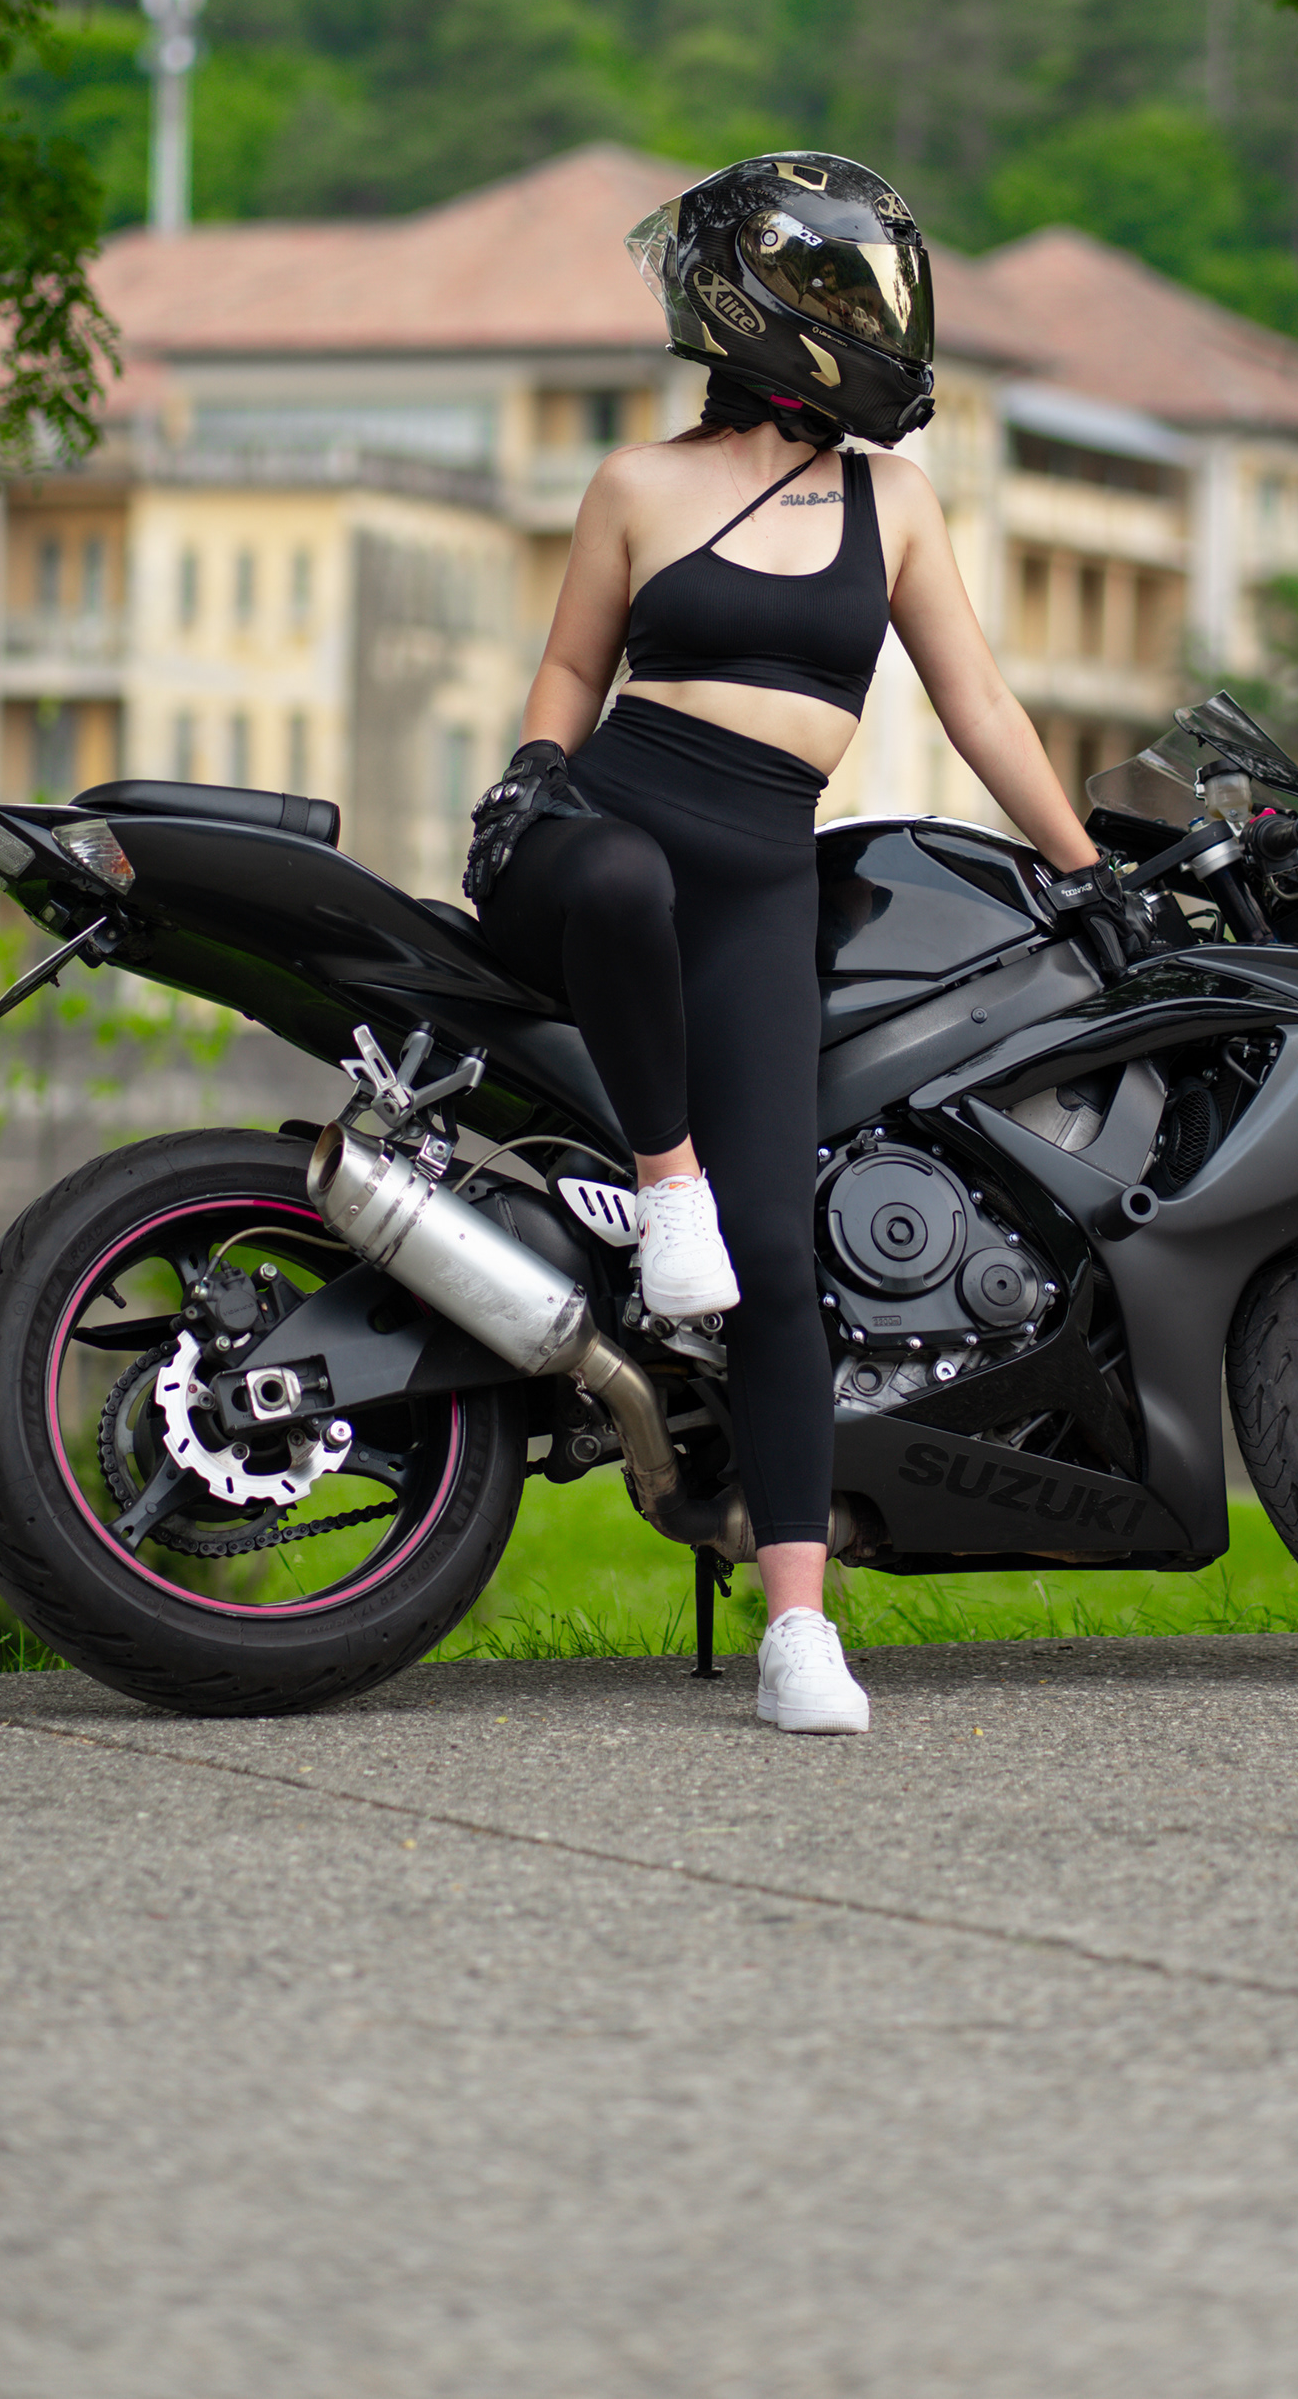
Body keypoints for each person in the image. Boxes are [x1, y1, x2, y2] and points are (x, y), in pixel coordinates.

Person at [467, 154, 1107, 1733]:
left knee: (777, 1259)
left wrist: (1088, 866)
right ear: (752, 308)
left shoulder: (898, 504)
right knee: (625, 884)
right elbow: (572, 673)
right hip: (596, 832)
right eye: (839, 295)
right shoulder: (636, 485)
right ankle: (662, 1184)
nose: (872, 324)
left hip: (761, 875)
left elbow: (980, 705)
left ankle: (800, 1630)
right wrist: (531, 775)